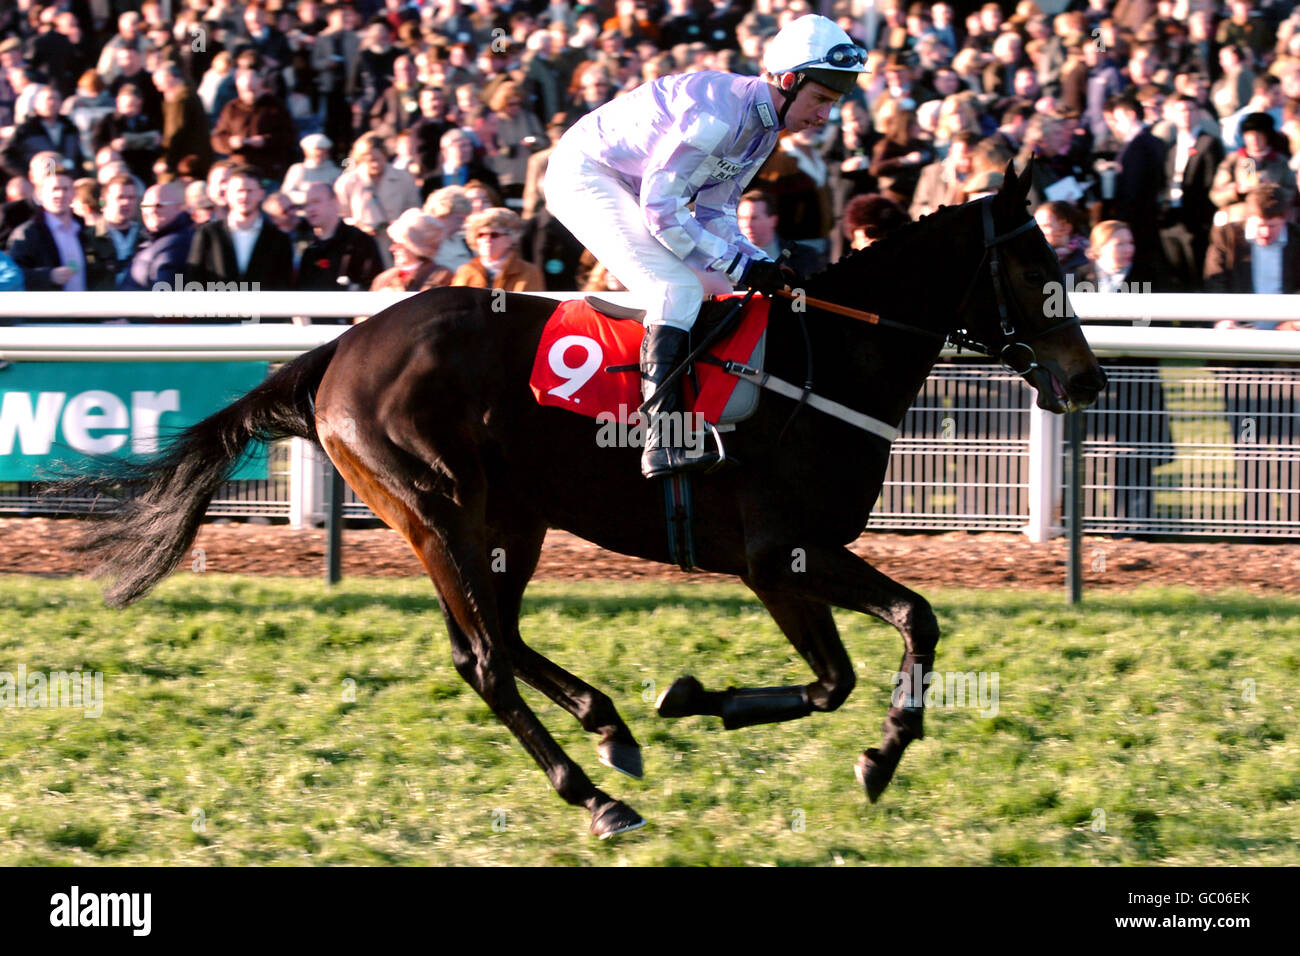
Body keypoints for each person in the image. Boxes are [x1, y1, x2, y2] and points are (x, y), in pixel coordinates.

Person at [544, 14, 867, 478]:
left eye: (832, 103)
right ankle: (659, 440)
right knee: (674, 290)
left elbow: (717, 214)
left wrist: (760, 264)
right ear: (790, 81)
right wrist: (739, 262)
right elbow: (661, 211)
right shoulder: (715, 119)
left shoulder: (764, 128)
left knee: (721, 283)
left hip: (634, 184)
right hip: (587, 175)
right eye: (819, 99)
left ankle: (710, 417)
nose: (824, 116)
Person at [186, 165, 293, 291]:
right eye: (239, 191)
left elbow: (283, 286)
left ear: (261, 194)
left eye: (249, 191)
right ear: (227, 195)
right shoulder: (208, 234)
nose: (244, 196)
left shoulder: (279, 239)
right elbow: (193, 281)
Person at [6, 171, 103, 291]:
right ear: (40, 195)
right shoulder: (27, 233)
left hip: (86, 307)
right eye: (54, 189)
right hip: (48, 308)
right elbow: (12, 274)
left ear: (73, 194)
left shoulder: (85, 231)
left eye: (65, 189)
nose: (60, 194)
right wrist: (48, 276)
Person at [1205, 184, 1300, 304]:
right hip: (1238, 317)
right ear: (1247, 218)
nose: (1266, 233)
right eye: (1260, 226)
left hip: (1288, 318)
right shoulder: (1226, 236)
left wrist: (1292, 320)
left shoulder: (1296, 237)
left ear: (1285, 219)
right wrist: (1224, 317)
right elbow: (1215, 279)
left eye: (1273, 226)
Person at [296, 181, 383, 295]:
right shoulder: (308, 247)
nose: (310, 209)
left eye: (316, 202)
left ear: (335, 201)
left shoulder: (359, 241)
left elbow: (373, 286)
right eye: (306, 204)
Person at [450, 207, 545, 291]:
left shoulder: (529, 272)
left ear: (511, 238)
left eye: (494, 235)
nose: (487, 240)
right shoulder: (465, 271)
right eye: (481, 235)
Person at [124, 180, 194, 293]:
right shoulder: (152, 242)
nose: (151, 210)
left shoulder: (178, 245)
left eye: (159, 205)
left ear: (180, 207)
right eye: (146, 205)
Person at [370, 208, 453, 293]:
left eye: (399, 244)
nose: (392, 248)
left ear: (416, 248)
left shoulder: (441, 275)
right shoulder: (384, 279)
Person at [89, 173, 144, 290]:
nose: (126, 202)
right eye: (120, 197)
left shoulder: (145, 236)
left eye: (131, 197)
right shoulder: (88, 237)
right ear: (103, 202)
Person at [281, 134, 342, 205]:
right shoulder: (298, 169)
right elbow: (286, 194)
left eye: (322, 149)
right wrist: (309, 197)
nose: (319, 153)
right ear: (305, 151)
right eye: (316, 149)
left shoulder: (335, 172)